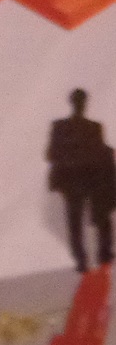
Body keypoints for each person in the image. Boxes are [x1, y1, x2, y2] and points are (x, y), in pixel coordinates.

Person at [45, 88, 115, 273]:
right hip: (84, 181)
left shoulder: (66, 127)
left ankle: (91, 257)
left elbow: (51, 154)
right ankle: (95, 256)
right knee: (86, 221)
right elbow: (52, 154)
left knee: (81, 222)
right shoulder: (89, 127)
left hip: (81, 182)